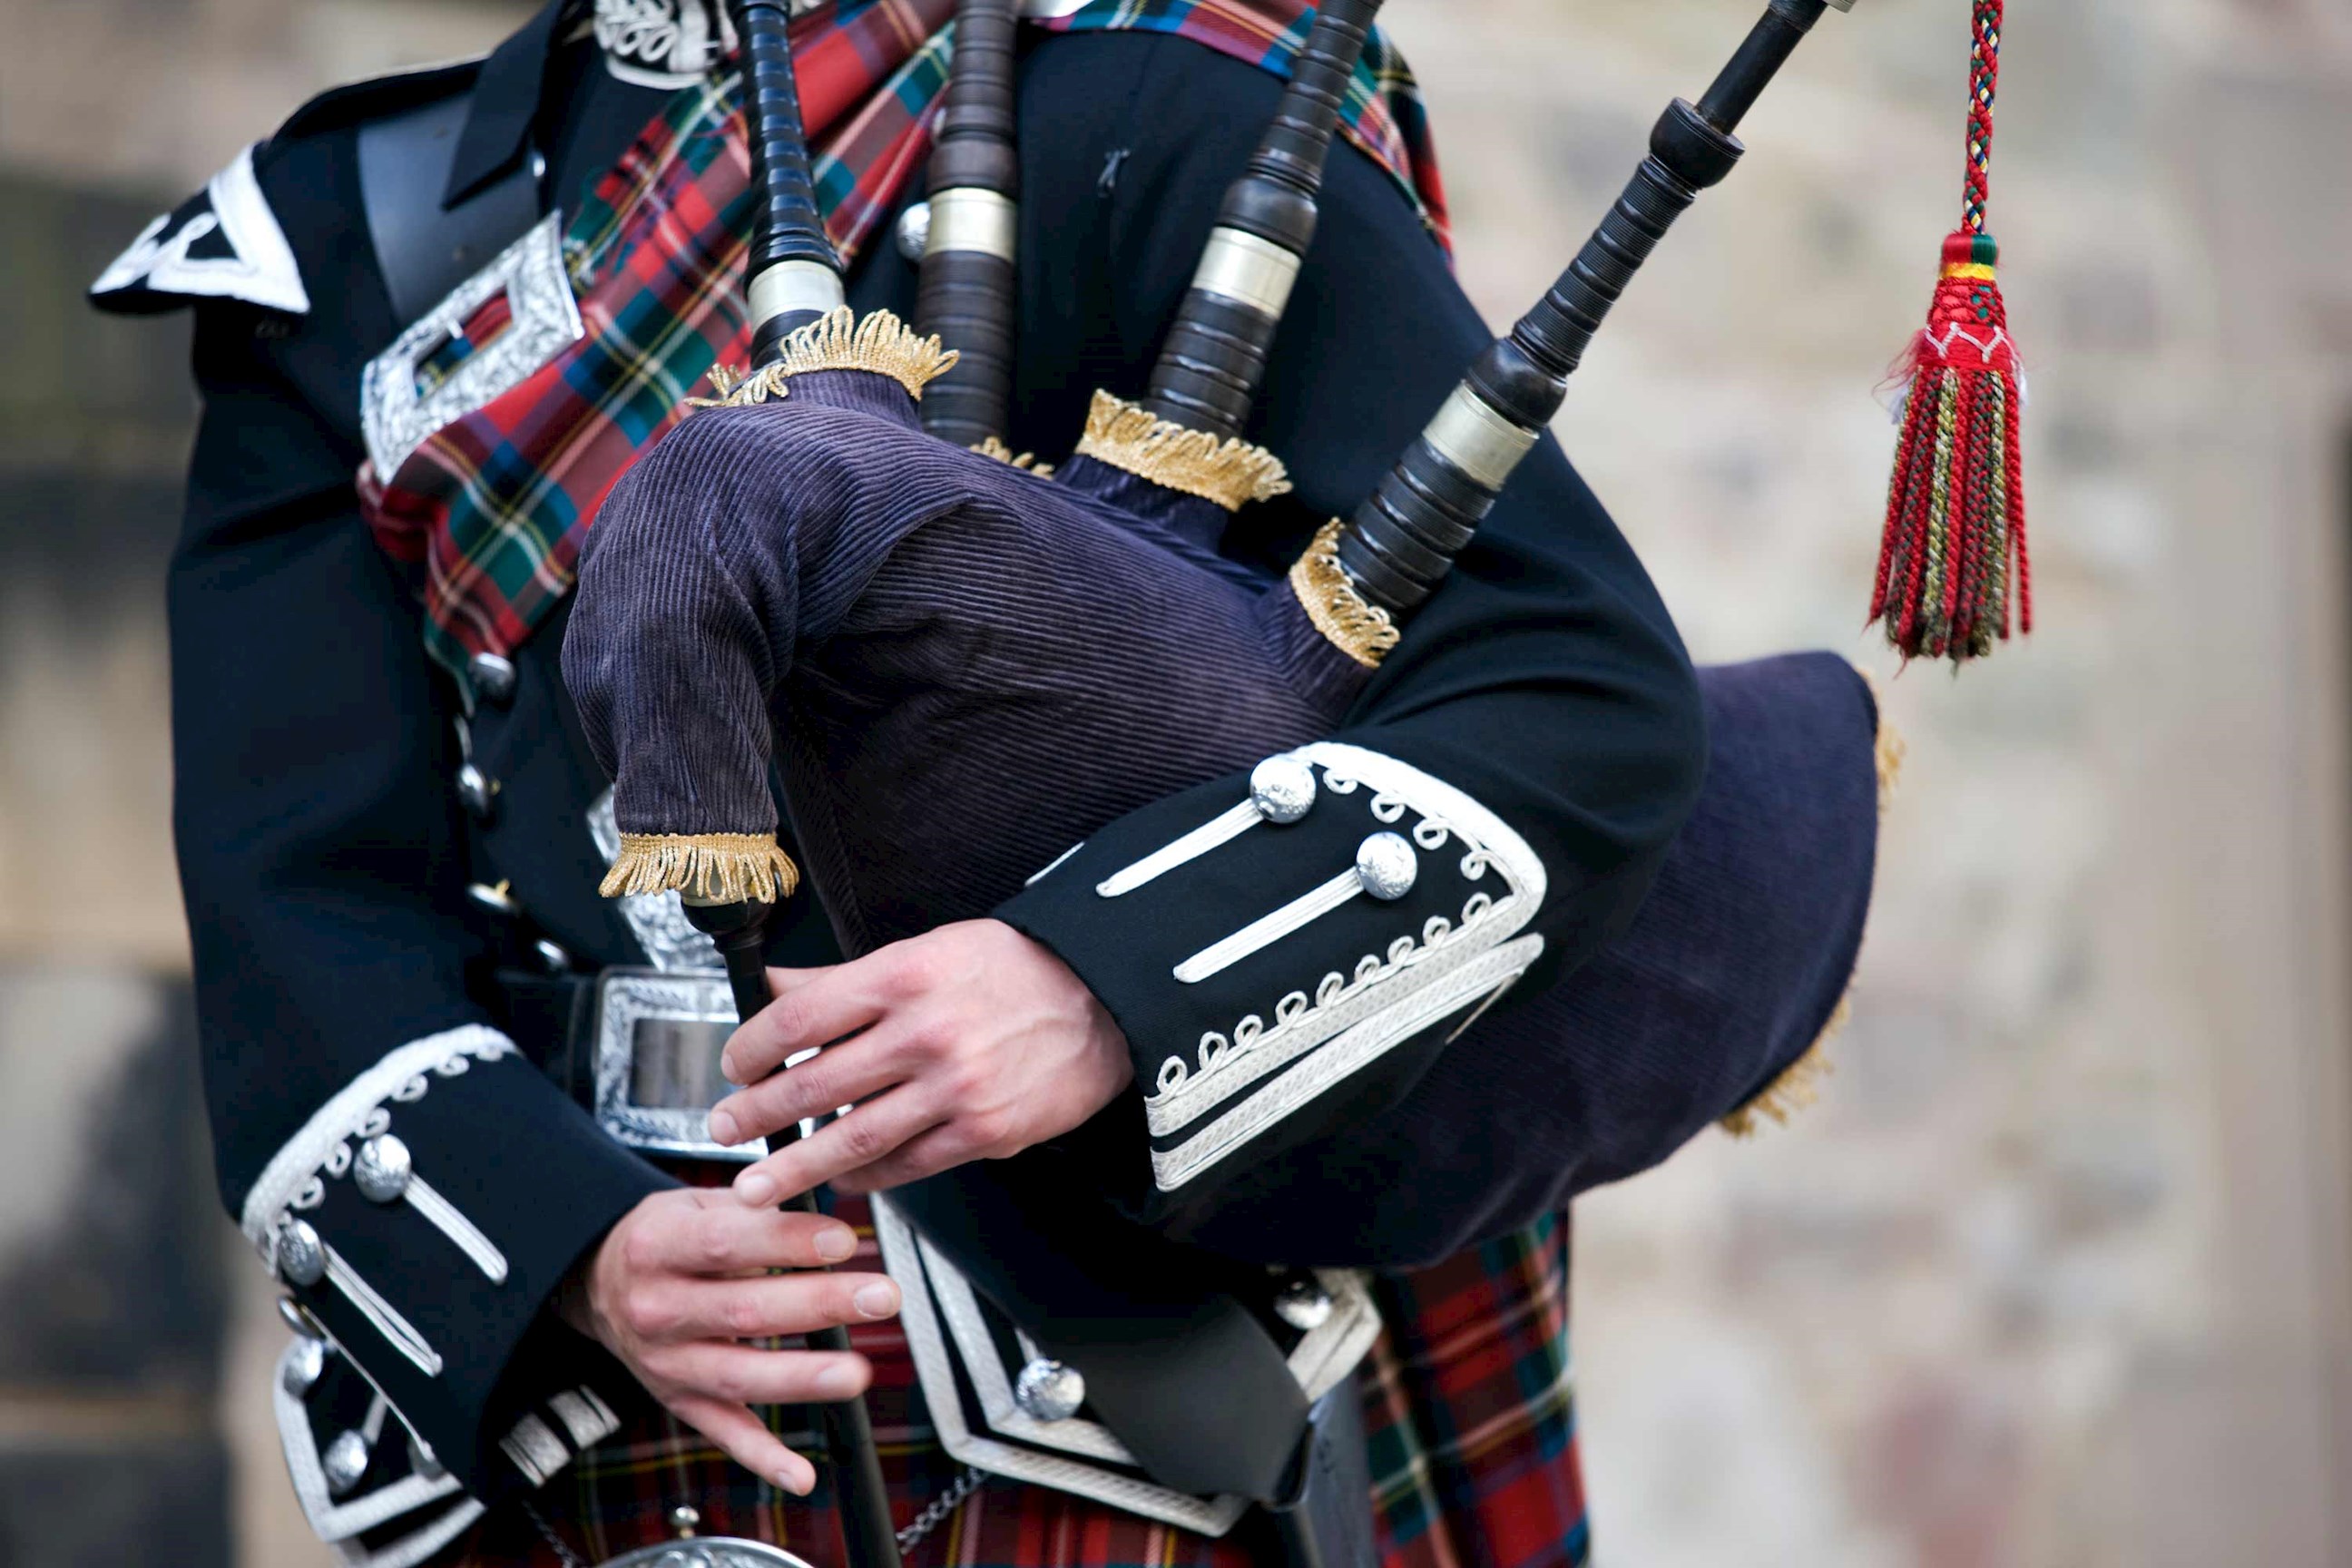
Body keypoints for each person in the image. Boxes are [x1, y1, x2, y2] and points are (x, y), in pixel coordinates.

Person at [91, 2, 1832, 1563]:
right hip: (580, 1402)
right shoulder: (347, 242)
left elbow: (1568, 697)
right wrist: (565, 1253)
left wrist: (1097, 986)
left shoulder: (1165, 95)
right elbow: (296, 890)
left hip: (1098, 1365)